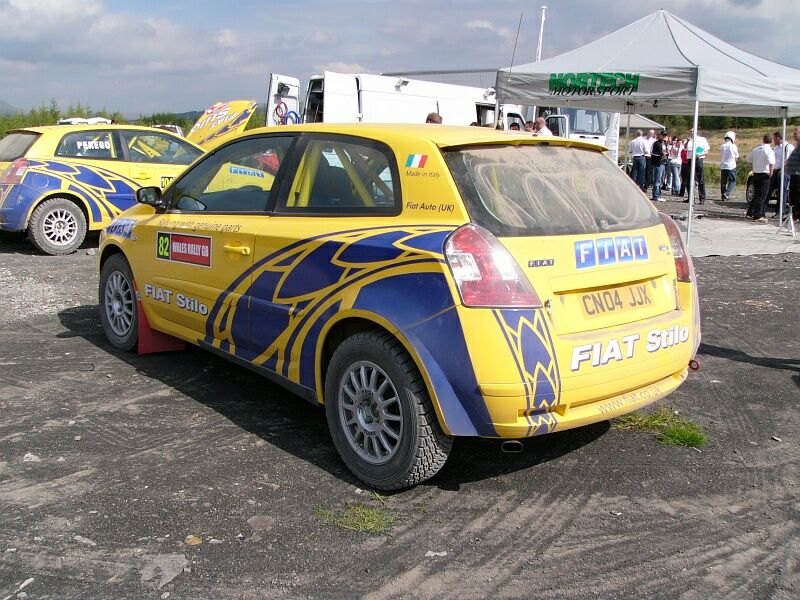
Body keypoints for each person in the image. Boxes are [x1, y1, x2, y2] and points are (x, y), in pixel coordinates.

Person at [746, 134, 776, 222]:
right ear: (771, 141)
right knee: (762, 196)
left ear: (763, 140)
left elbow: (749, 160)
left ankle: (750, 212)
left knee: (756, 194)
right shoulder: (769, 150)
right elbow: (771, 163)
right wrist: (771, 173)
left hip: (755, 174)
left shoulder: (755, 150)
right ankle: (758, 215)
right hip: (764, 174)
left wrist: (753, 169)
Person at [767, 131, 794, 216]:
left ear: (779, 138)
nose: (774, 140)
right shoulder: (776, 148)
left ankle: (780, 212)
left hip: (783, 171)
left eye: (775, 138)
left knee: (782, 191)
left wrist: (783, 170)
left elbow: (789, 160)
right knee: (768, 189)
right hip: (775, 171)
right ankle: (762, 210)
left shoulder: (788, 147)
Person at [685, 128, 709, 204]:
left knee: (700, 179)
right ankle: (690, 197)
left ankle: (702, 198)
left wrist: (700, 154)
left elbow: (706, 150)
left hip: (698, 159)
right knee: (689, 179)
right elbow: (685, 148)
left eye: (693, 131)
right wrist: (687, 141)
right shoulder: (689, 140)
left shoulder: (702, 140)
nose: (691, 133)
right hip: (690, 160)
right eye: (691, 131)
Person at [719, 131, 739, 201]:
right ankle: (727, 193)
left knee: (723, 181)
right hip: (731, 165)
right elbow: (736, 156)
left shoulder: (722, 146)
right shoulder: (733, 146)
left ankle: (723, 195)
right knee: (732, 181)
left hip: (723, 165)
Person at [649, 131, 667, 202]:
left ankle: (658, 194)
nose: (664, 137)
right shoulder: (656, 143)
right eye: (663, 135)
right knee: (657, 179)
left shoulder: (664, 143)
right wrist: (661, 154)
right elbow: (653, 153)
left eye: (665, 136)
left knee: (661, 179)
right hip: (657, 163)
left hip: (663, 163)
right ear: (660, 136)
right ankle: (656, 195)